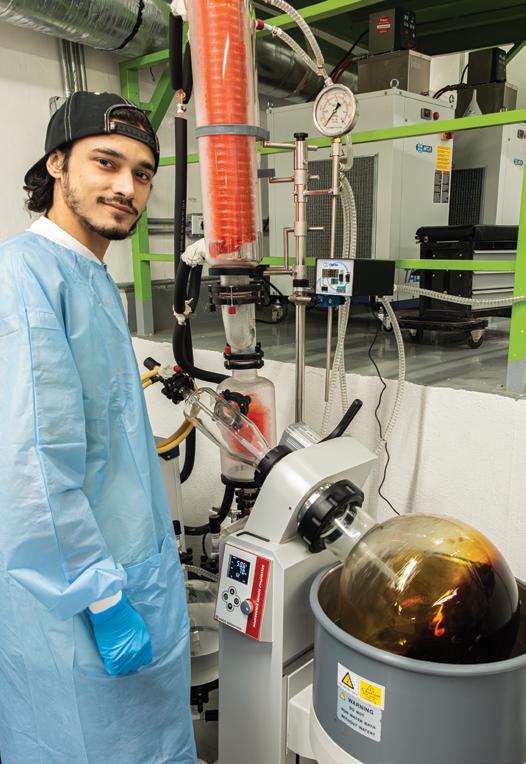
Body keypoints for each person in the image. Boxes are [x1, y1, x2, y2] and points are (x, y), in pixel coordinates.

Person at [0, 92, 197, 764]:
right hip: (80, 600)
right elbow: (34, 467)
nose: (126, 188)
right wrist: (103, 598)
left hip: (126, 573)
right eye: (106, 163)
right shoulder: (26, 278)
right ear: (56, 163)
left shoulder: (88, 275)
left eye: (142, 174)